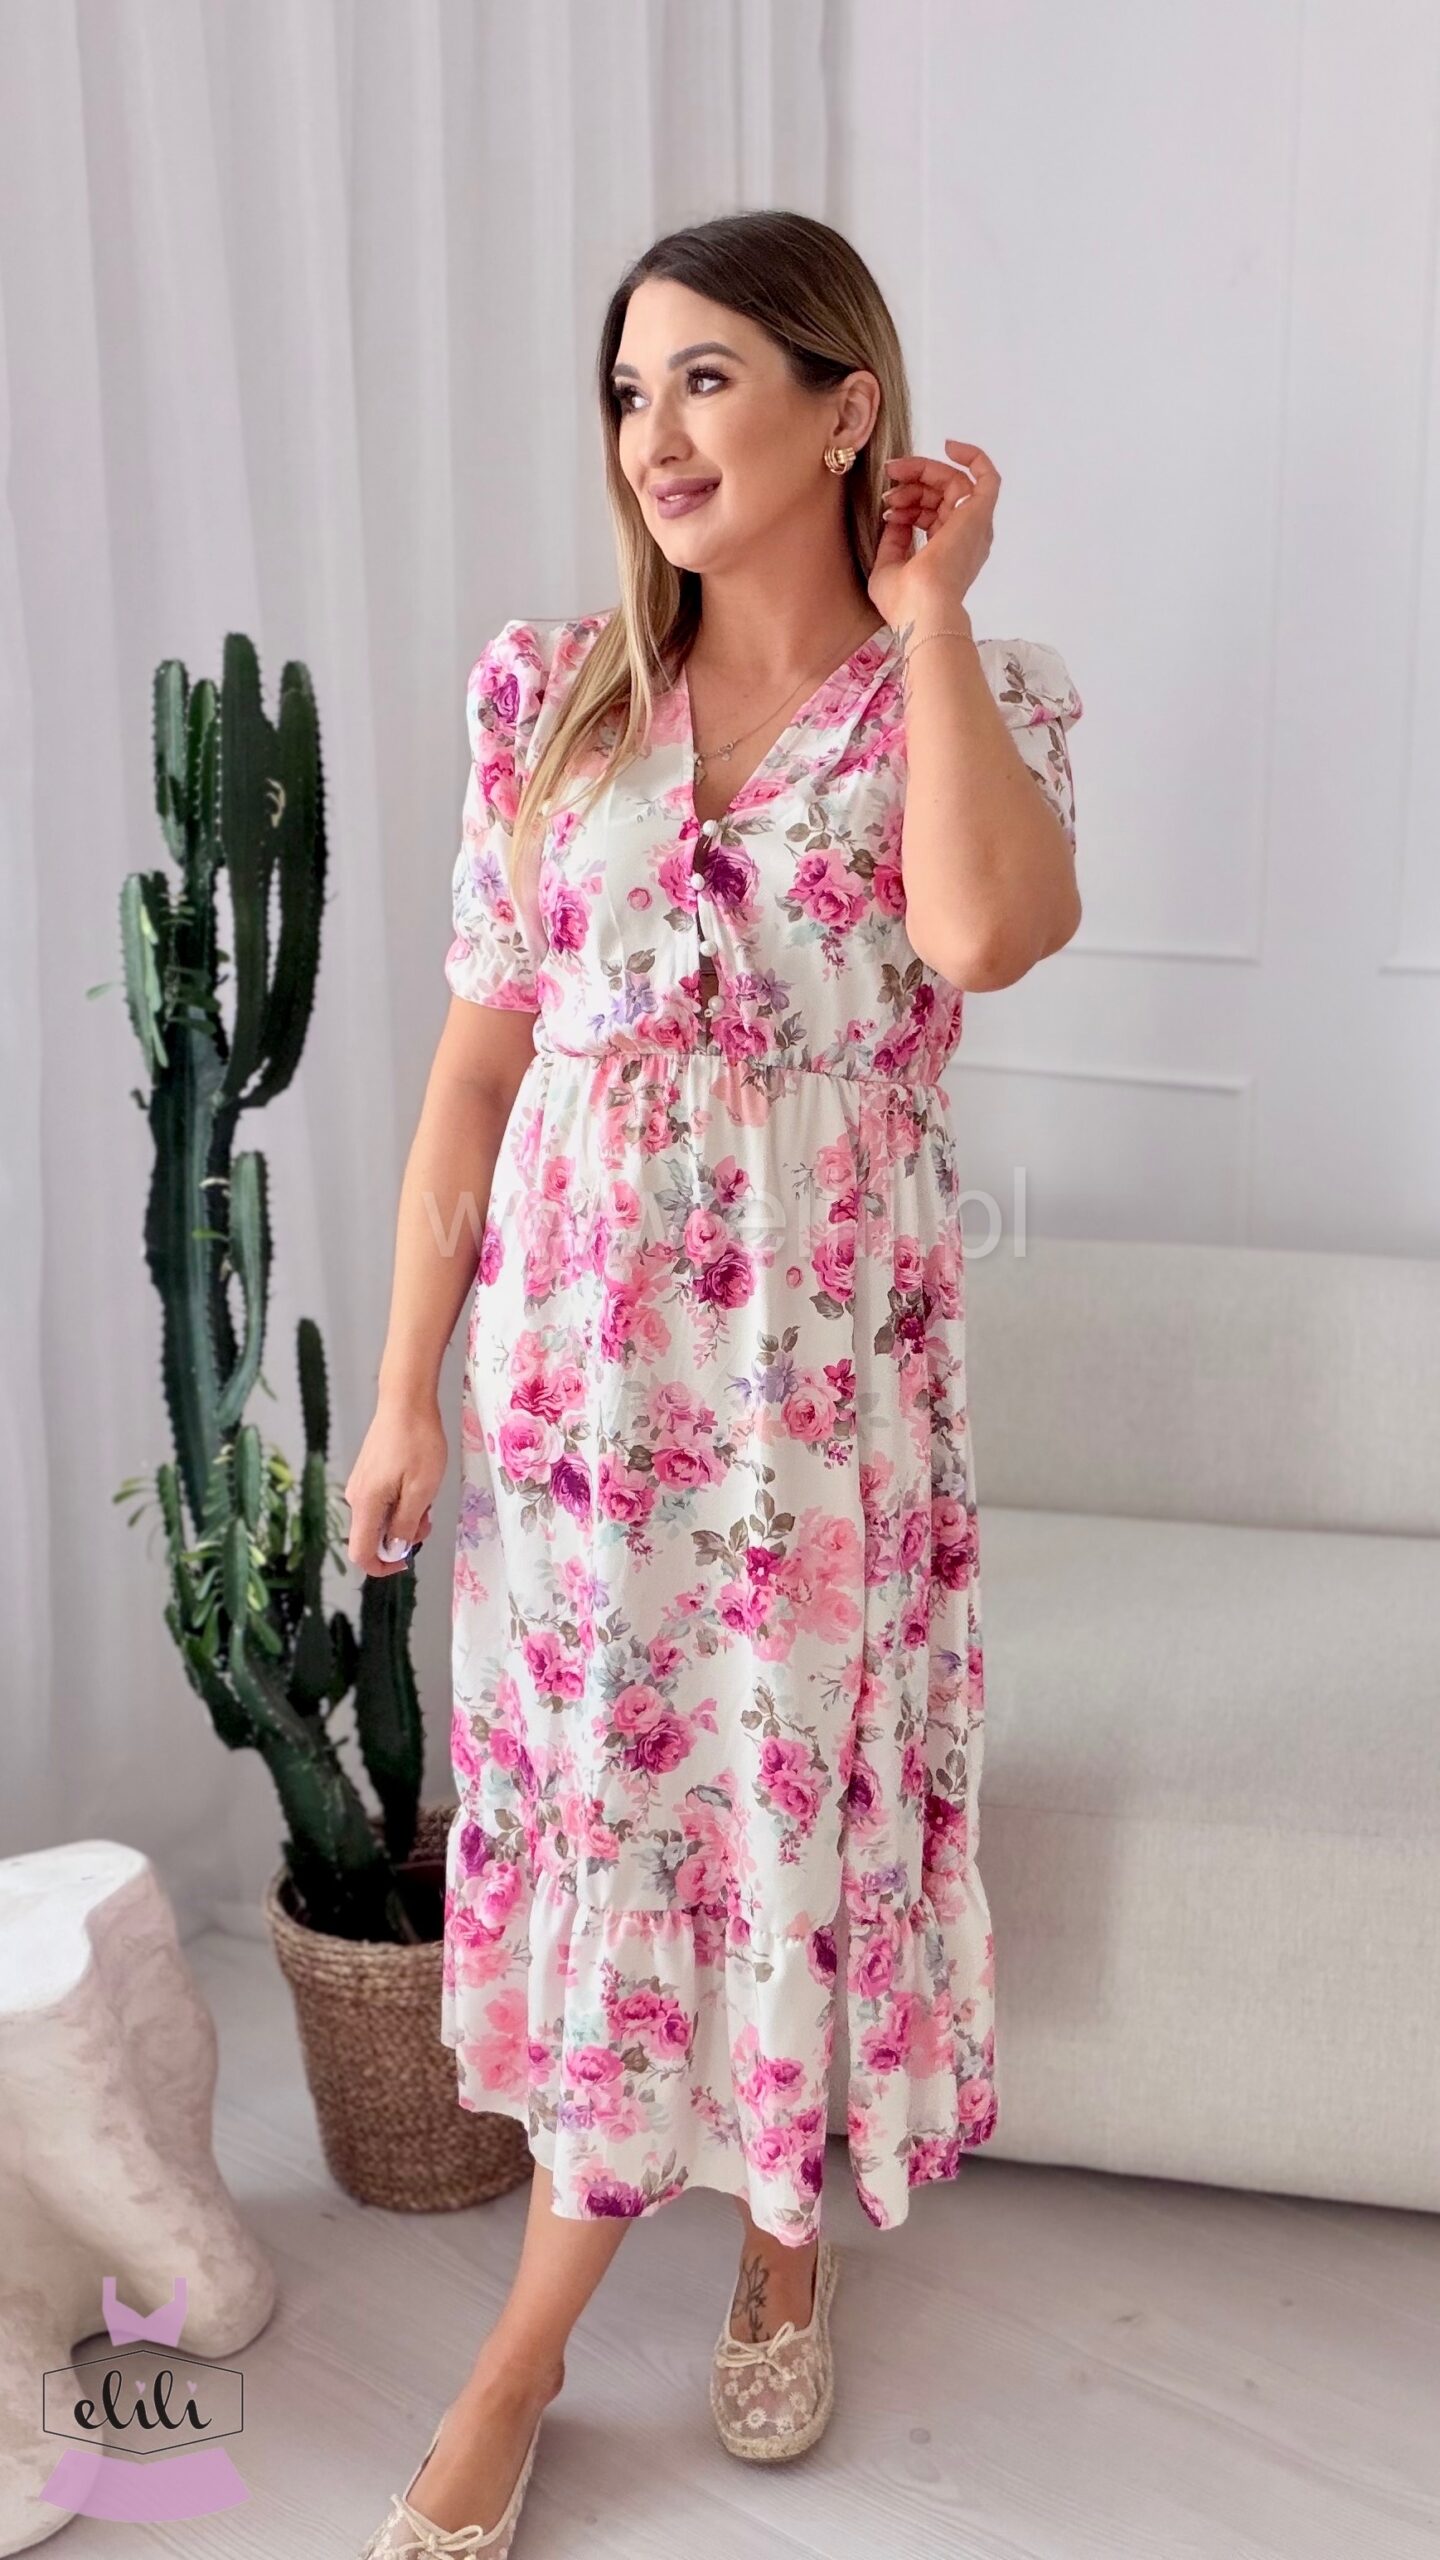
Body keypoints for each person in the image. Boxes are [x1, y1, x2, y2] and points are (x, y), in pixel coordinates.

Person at [345, 206, 1082, 2557]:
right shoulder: (550, 700)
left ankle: (757, 2242)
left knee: (780, 1808)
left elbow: (981, 932)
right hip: (581, 1402)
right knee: (612, 1814)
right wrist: (405, 1388)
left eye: (706, 380)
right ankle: (548, 2336)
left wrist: (934, 612)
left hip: (815, 1404)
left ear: (846, 406)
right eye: (627, 391)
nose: (652, 435)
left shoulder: (973, 692)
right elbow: (475, 1082)